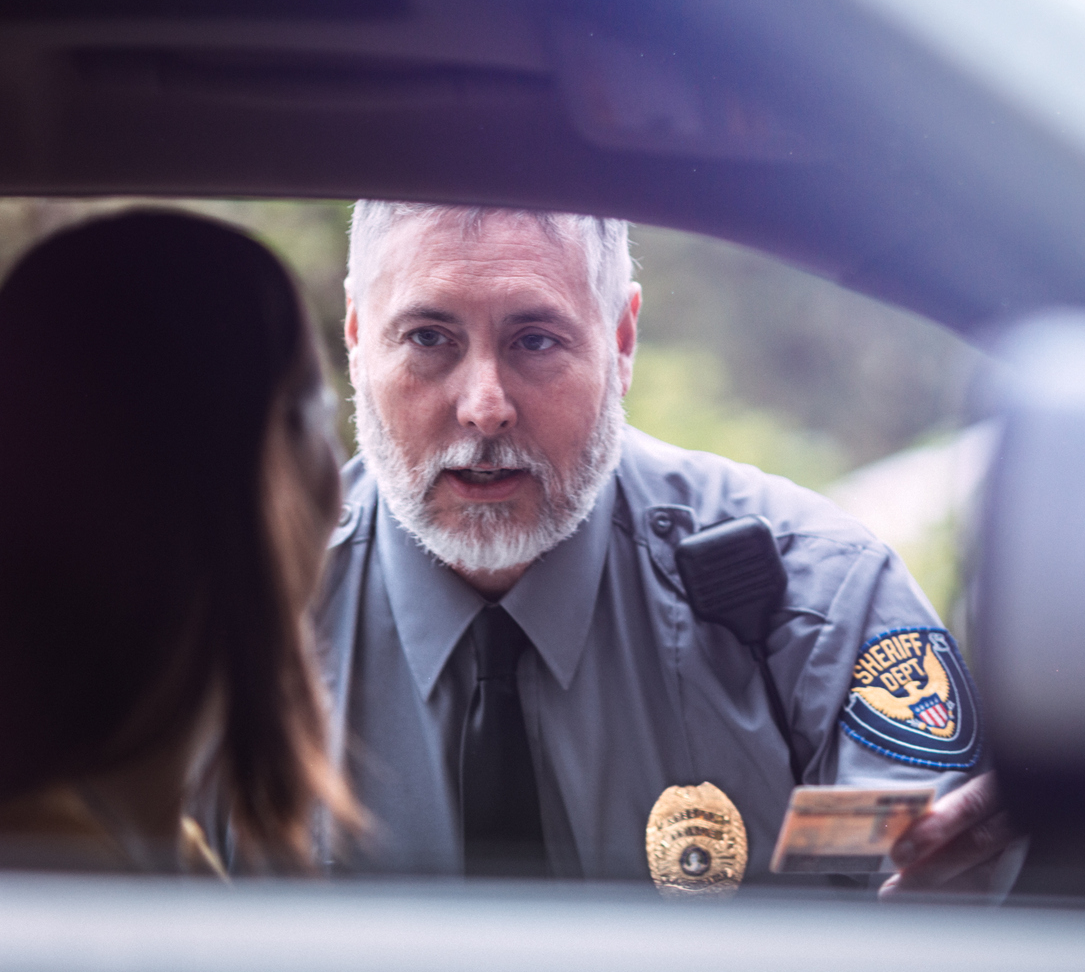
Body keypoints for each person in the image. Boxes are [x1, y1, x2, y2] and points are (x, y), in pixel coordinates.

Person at [315, 201, 1010, 893]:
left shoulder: (814, 595)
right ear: (355, 338)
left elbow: (917, 883)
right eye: (430, 338)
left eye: (534, 341)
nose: (485, 406)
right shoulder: (245, 612)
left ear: (620, 341)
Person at [0, 212, 357, 873]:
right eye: (311, 414)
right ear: (210, 486)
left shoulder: (128, 841)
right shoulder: (55, 877)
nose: (338, 478)